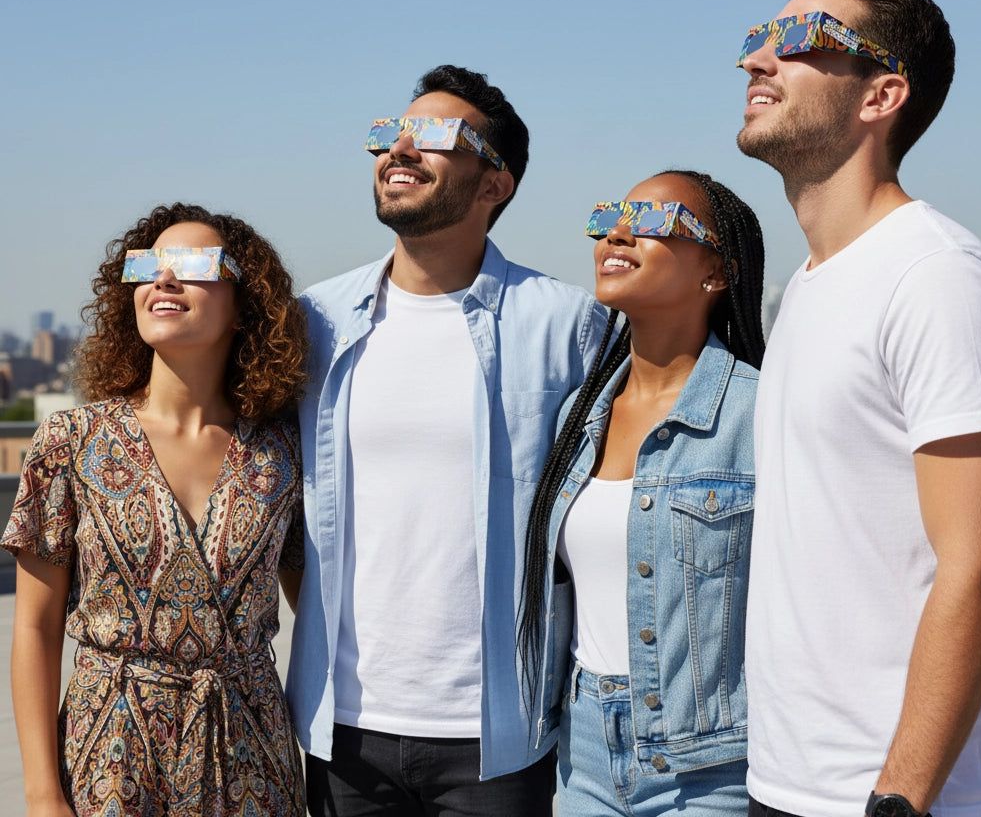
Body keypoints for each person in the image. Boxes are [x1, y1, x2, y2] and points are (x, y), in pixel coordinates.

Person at [736, 0, 981, 817]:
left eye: (797, 41)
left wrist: (899, 796)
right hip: (790, 783)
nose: (757, 58)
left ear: (880, 95)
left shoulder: (935, 277)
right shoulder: (815, 282)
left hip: (902, 797)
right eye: (759, 37)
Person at [286, 64, 609, 816]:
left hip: (500, 736)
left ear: (495, 183)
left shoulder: (569, 326)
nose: (399, 150)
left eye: (433, 136)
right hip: (344, 731)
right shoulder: (314, 323)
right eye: (389, 134)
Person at [3, 203, 309, 817]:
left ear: (244, 302)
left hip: (252, 762)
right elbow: (34, 627)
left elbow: (319, 609)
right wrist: (41, 793)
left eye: (193, 265)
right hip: (108, 764)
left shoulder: (284, 450)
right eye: (147, 266)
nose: (164, 279)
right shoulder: (73, 441)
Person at [518, 169, 766, 816]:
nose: (616, 235)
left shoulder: (759, 412)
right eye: (607, 218)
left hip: (712, 766)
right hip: (584, 753)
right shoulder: (579, 415)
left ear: (717, 272)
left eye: (652, 221)